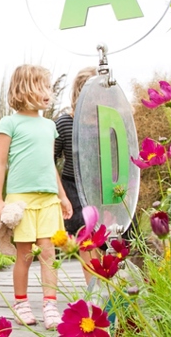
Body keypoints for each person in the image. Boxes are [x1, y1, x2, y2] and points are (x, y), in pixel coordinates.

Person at [0, 64, 73, 331]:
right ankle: (21, 303)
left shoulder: (50, 126)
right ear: (24, 89)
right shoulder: (10, 123)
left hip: (48, 199)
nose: (47, 92)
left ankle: (50, 305)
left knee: (48, 252)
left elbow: (51, 165)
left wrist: (62, 196)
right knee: (24, 254)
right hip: (21, 201)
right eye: (41, 87)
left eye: (48, 87)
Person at [54, 66, 98, 283]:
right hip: (74, 186)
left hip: (102, 185)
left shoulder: (107, 120)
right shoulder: (64, 123)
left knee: (105, 235)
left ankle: (107, 283)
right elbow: (49, 159)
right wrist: (59, 195)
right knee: (85, 236)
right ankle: (94, 290)